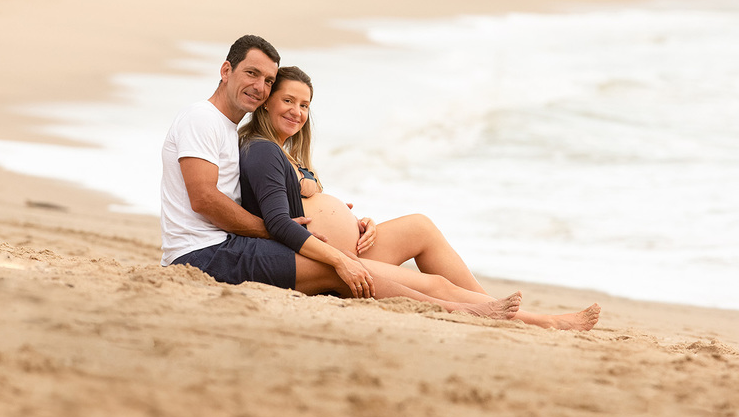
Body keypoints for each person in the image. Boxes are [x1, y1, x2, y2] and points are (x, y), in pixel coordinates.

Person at [160, 35, 522, 321]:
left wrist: (345, 218)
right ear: (226, 71)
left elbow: (254, 199)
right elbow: (205, 200)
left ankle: (504, 310)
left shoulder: (229, 131)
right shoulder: (203, 119)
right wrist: (283, 231)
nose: (259, 85)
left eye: (268, 79)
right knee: (342, 268)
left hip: (233, 247)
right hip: (206, 255)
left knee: (416, 234)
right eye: (251, 73)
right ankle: (459, 310)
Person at [239, 66, 601, 332]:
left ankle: (490, 303)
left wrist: (357, 222)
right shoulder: (261, 150)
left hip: (352, 246)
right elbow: (276, 217)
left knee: (420, 226)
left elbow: (308, 205)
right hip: (326, 259)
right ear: (266, 103)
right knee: (439, 287)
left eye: (304, 105)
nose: (297, 111)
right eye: (288, 100)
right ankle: (544, 321)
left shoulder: (288, 152)